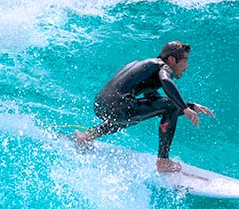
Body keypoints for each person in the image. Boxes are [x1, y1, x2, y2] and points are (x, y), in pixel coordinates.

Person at [74, 41, 215, 172]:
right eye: (185, 60)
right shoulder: (162, 66)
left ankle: (87, 135)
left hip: (101, 105)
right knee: (165, 107)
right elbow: (166, 83)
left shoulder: (147, 67)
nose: (187, 66)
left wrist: (191, 106)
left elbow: (156, 103)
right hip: (120, 107)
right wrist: (184, 108)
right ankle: (163, 161)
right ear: (172, 59)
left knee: (131, 116)